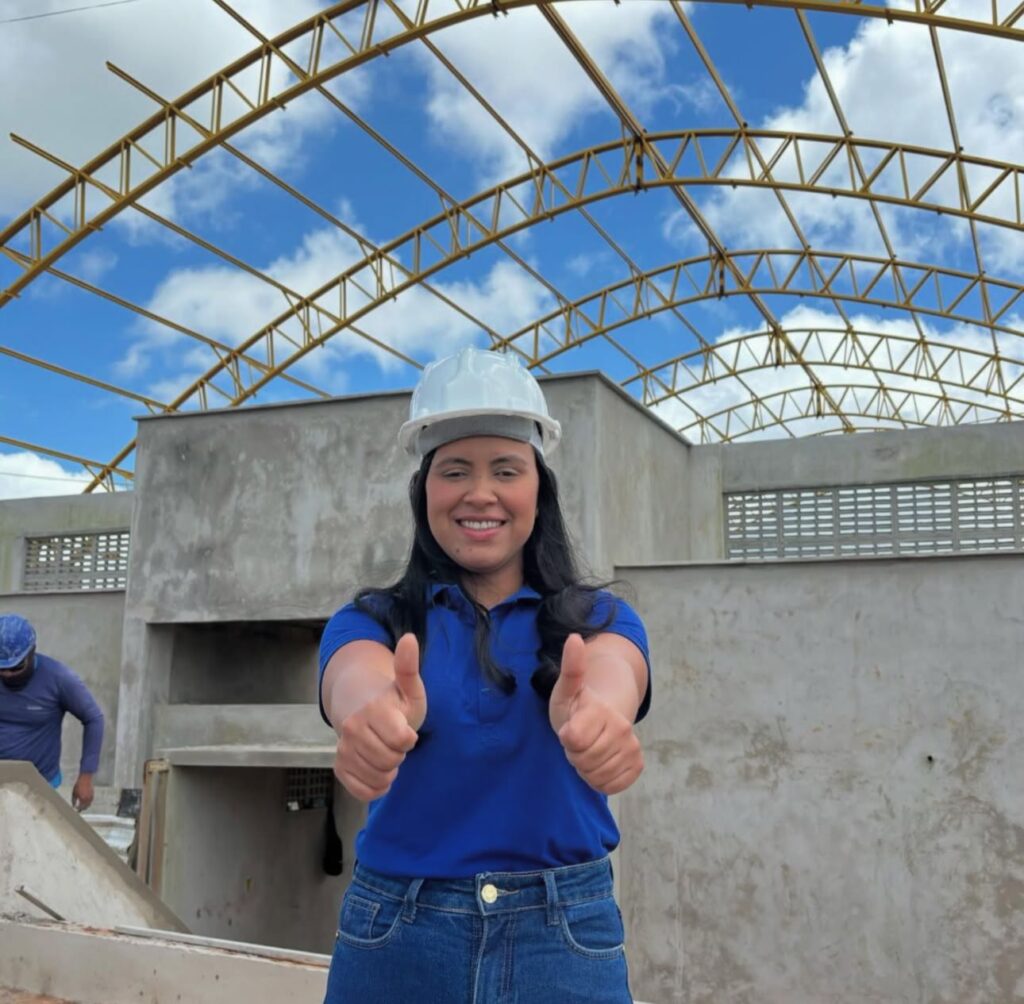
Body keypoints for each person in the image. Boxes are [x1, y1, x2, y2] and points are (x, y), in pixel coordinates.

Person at [318, 347, 651, 1003]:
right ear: (424, 491)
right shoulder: (373, 621)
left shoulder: (600, 619)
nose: (480, 493)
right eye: (454, 471)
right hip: (398, 935)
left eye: (505, 469)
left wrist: (602, 718)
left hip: (563, 939)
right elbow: (355, 679)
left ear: (538, 489)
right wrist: (372, 717)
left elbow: (615, 670)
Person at [0, 613, 105, 811]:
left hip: (39, 787)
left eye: (16, 667)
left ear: (32, 652)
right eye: (1, 669)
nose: (7, 674)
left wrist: (86, 777)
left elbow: (94, 719)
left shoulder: (58, 679)